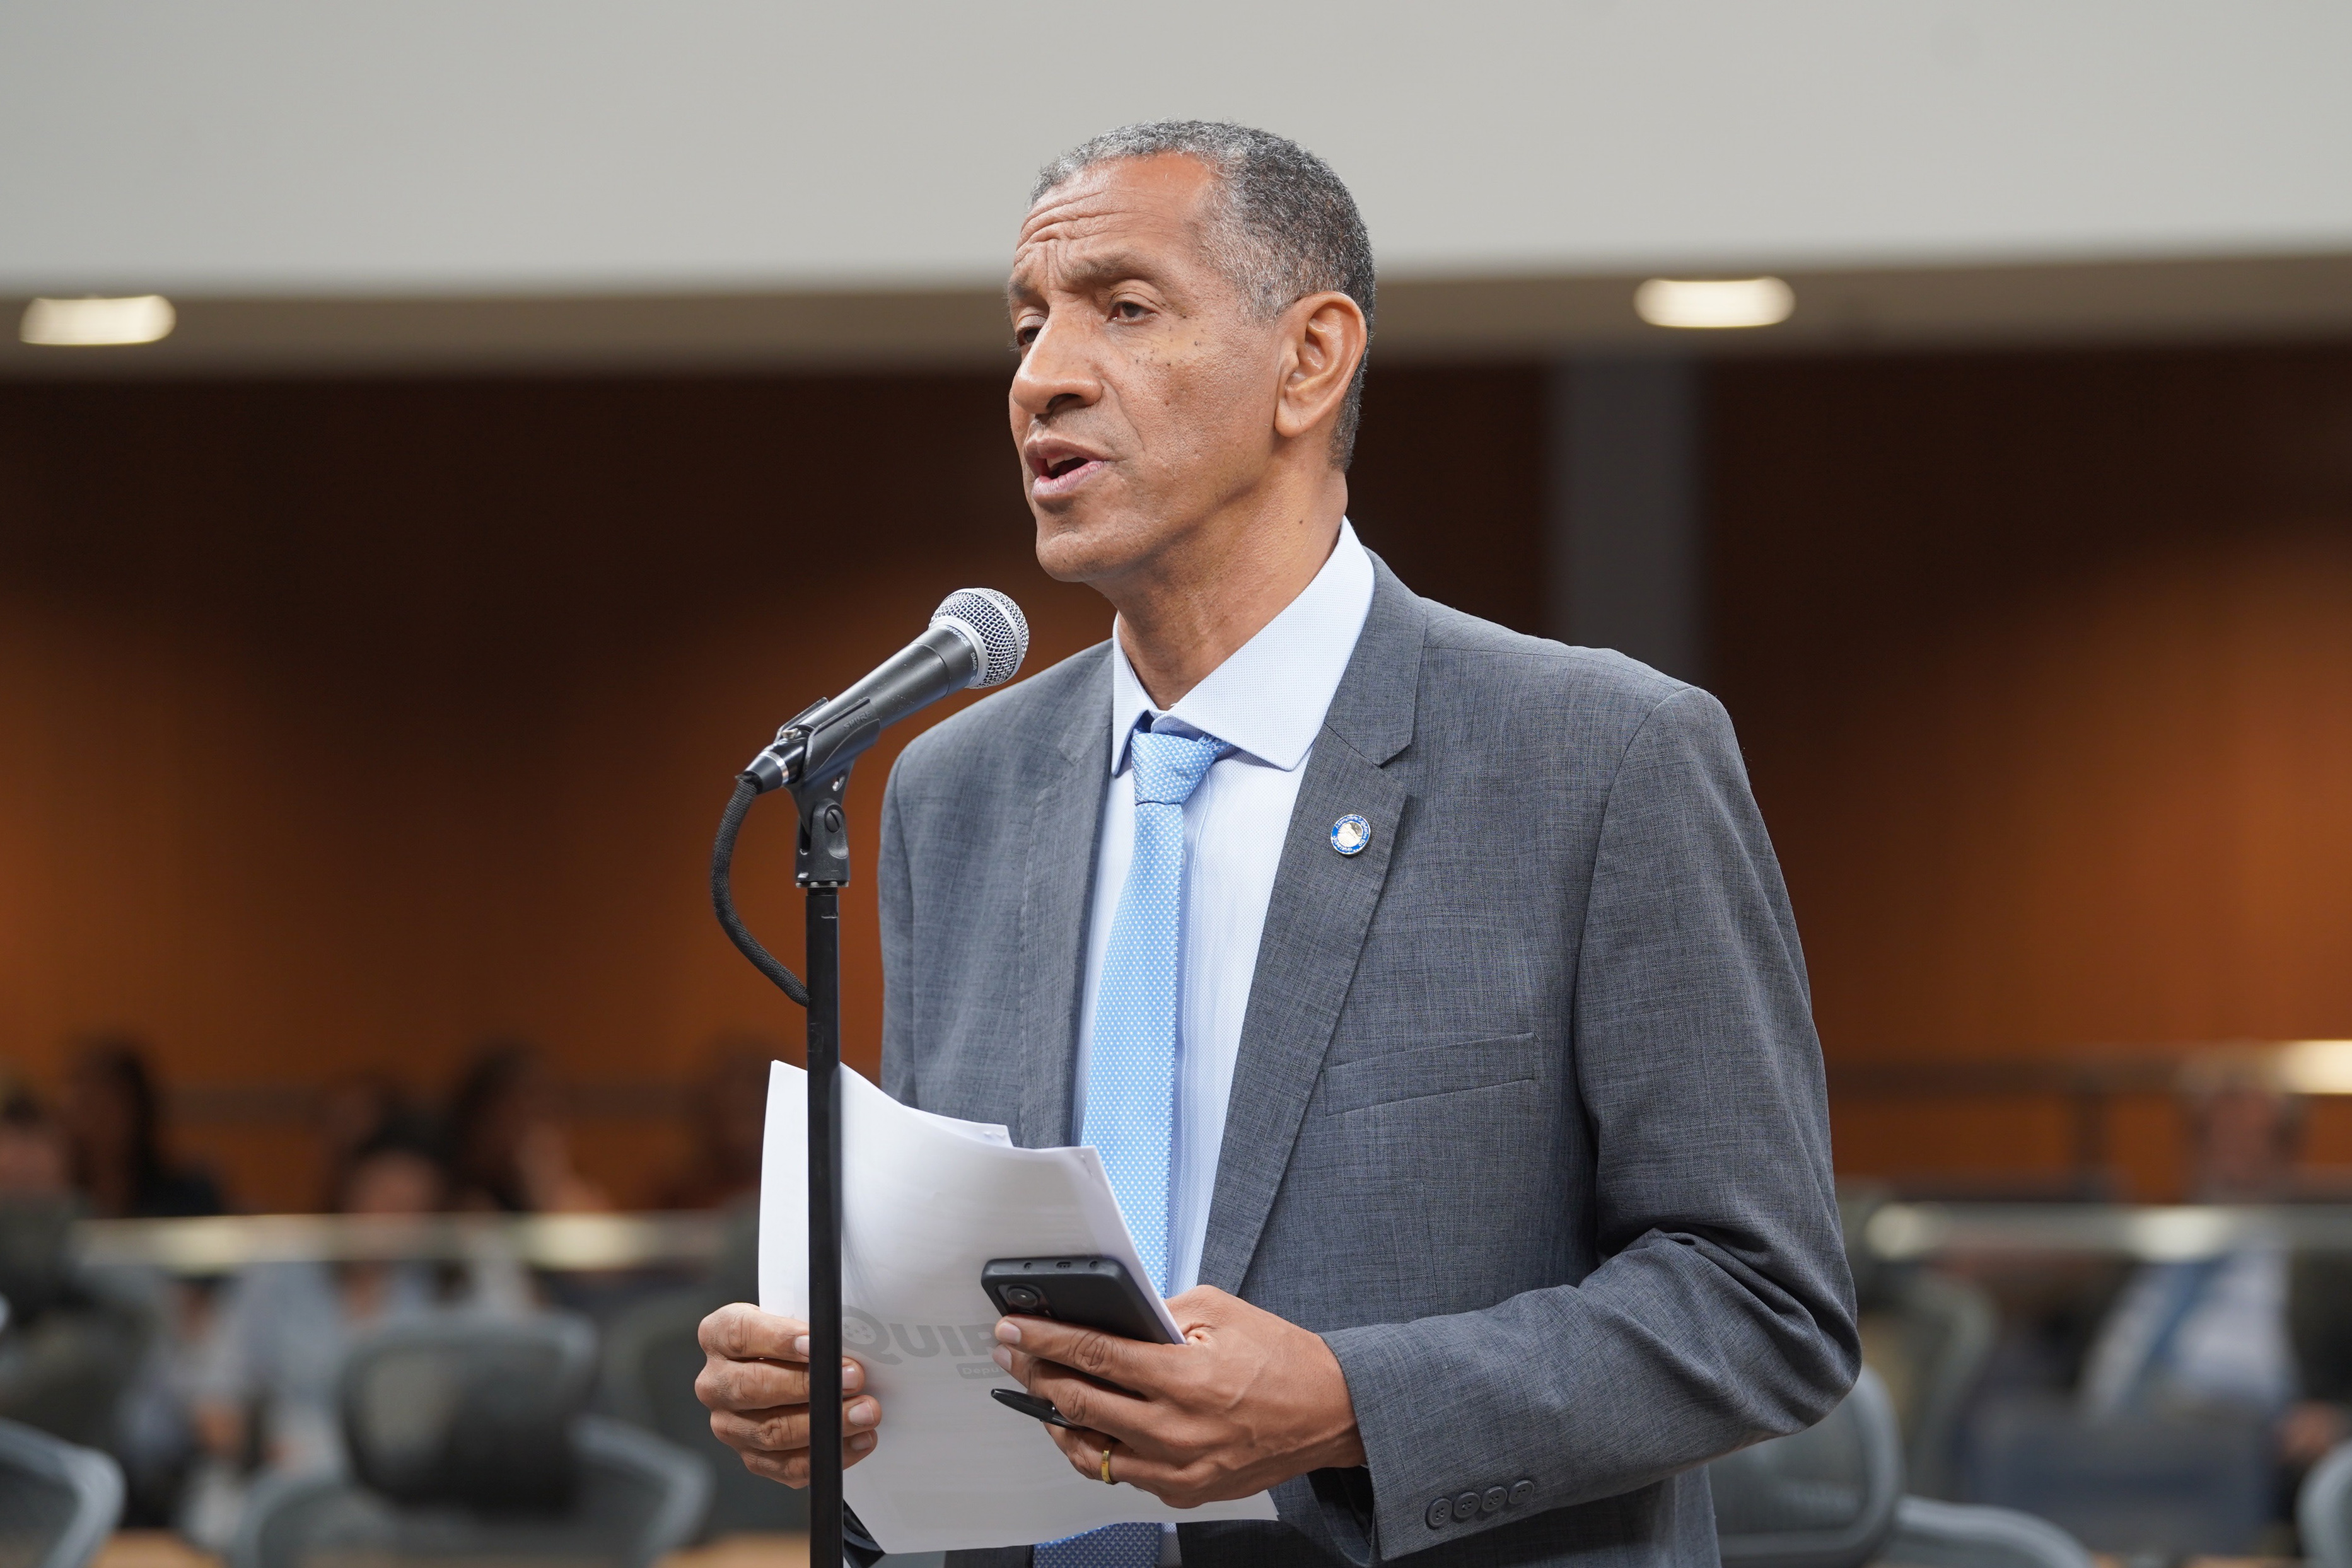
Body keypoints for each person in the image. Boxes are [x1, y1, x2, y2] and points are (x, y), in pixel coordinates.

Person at [697, 122, 1856, 1567]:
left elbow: (1761, 1305)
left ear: (1309, 361)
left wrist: (1349, 1404)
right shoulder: (953, 787)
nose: (1041, 374)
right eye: (1025, 324)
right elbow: (953, 1281)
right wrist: (840, 1392)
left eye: (1122, 308)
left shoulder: (1597, 758)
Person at [180, 1113, 529, 1544]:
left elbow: (518, 1377)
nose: (387, 1223)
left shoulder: (449, 1281)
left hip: (411, 1496)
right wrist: (262, 1450)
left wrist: (484, 1245)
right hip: (282, 1486)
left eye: (409, 1209)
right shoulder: (278, 1265)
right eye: (379, 1198)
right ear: (346, 1189)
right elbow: (213, 1403)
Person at [60, 1038, 223, 1218]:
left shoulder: (188, 1193)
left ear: (138, 1111)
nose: (96, 1122)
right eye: (87, 1107)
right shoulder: (55, 1197)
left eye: (108, 1107)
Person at [445, 1041, 610, 1214]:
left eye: (542, 1114)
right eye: (513, 1115)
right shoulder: (445, 1194)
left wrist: (546, 1194)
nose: (529, 1135)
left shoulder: (579, 1199)